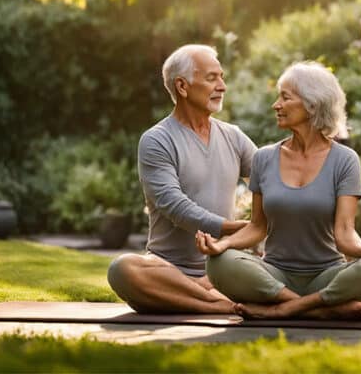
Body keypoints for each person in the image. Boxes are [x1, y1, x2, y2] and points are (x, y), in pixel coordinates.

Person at [196, 61, 361, 320]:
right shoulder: (264, 158)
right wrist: (223, 245)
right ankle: (325, 309)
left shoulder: (344, 160)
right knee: (219, 263)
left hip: (328, 276)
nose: (276, 105)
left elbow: (345, 235)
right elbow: (257, 227)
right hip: (274, 276)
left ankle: (288, 308)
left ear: (312, 104)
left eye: (285, 97)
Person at [107, 44, 256, 313]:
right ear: (182, 86)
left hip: (224, 268)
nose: (222, 85)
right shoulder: (157, 140)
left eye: (222, 77)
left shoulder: (234, 136)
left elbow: (273, 184)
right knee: (123, 269)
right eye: (212, 78)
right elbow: (174, 205)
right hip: (169, 270)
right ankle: (221, 305)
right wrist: (231, 228)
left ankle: (199, 297)